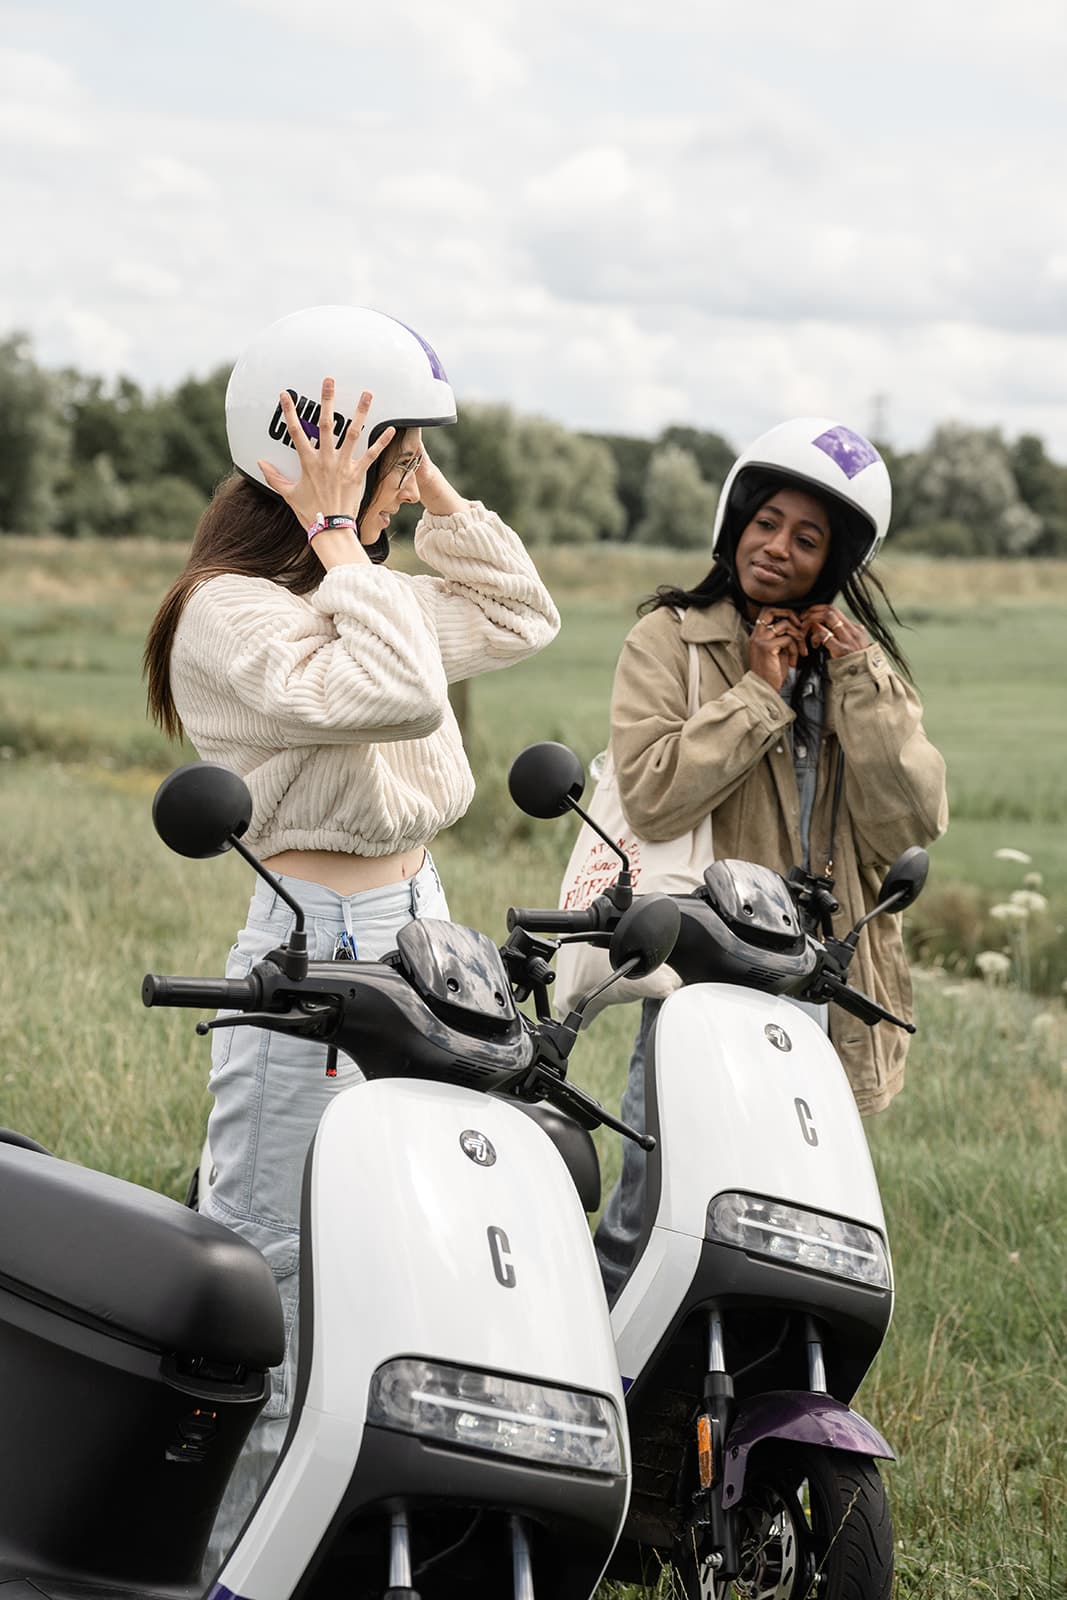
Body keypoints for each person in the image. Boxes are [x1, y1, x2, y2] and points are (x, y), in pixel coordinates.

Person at [142, 305, 560, 1560]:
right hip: (316, 936)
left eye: (397, 466)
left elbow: (521, 613)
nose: (388, 492)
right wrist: (337, 537)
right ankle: (222, 1568)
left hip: (421, 928)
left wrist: (428, 499)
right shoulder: (231, 612)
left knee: (404, 1249)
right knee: (277, 1266)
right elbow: (396, 687)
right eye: (383, 461)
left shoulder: (352, 587)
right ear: (306, 459)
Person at [594, 416, 948, 1298]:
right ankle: (615, 1389)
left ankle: (758, 1407)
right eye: (765, 523)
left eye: (806, 538)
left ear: (833, 562)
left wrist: (859, 684)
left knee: (800, 1213)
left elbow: (914, 819)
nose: (777, 549)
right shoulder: (668, 641)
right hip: (706, 969)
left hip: (819, 977)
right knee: (654, 1204)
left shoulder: (857, 669)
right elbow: (653, 791)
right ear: (734, 521)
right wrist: (757, 693)